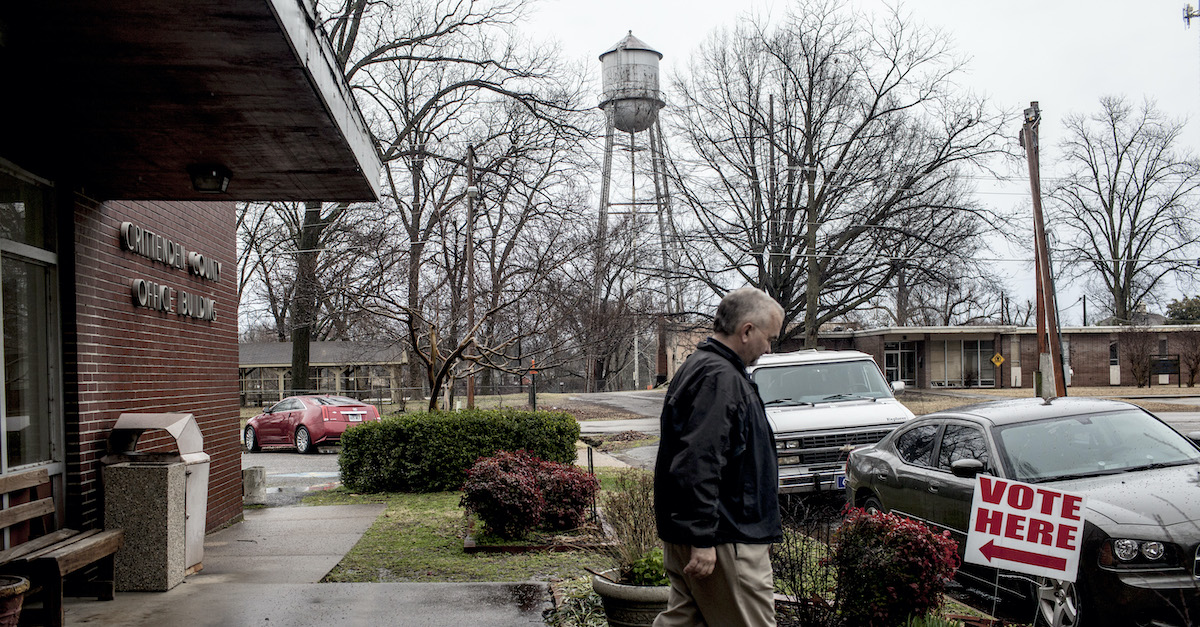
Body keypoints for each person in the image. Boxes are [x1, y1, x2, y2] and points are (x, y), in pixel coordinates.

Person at [653, 287, 784, 627]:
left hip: (707, 532)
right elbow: (700, 460)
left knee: (684, 621)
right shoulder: (720, 378)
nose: (769, 348)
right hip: (725, 537)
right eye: (769, 338)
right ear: (747, 331)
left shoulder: (702, 367)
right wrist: (703, 538)